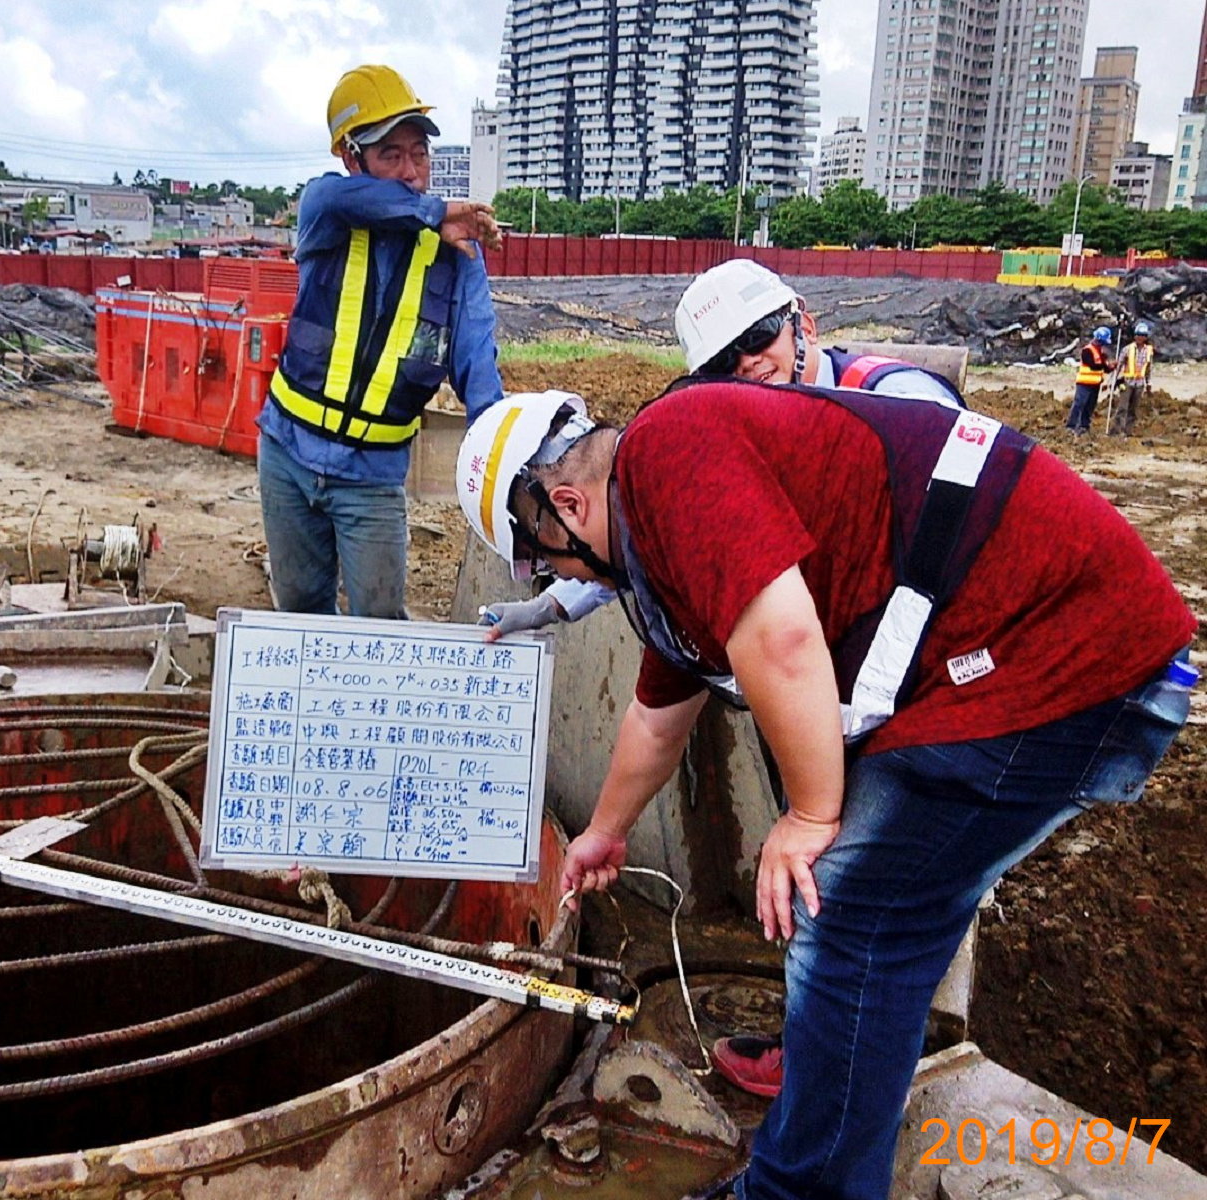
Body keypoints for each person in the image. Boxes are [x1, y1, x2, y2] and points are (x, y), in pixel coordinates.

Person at [456, 384, 1194, 1200]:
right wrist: (605, 831)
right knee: (876, 922)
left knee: (850, 917)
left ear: (565, 504)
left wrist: (810, 815)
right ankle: (848, 1085)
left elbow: (782, 637)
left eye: (543, 557)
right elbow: (659, 714)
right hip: (1007, 652)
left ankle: (800, 1187)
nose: (556, 576)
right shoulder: (666, 538)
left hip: (1057, 644)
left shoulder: (670, 452)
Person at [483, 259, 962, 638]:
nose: (749, 363)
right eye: (722, 363)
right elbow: (646, 525)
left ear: (806, 327)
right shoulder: (739, 436)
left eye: (759, 337)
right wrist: (549, 605)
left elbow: (954, 542)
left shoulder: (897, 401)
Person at [258, 63, 503, 619]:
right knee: (299, 610)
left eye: (419, 153)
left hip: (371, 476)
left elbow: (477, 366)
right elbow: (345, 200)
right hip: (287, 455)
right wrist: (433, 212)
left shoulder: (457, 255)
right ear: (351, 157)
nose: (412, 172)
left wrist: (504, 460)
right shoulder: (327, 210)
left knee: (379, 624)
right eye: (391, 155)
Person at [1110, 319, 1155, 436]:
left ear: (1146, 337)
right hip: (1127, 382)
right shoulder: (1127, 349)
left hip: (1139, 384)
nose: (1140, 338)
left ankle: (1128, 431)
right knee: (1122, 408)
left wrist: (1148, 383)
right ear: (1135, 336)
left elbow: (1148, 368)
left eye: (1142, 335)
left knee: (1133, 410)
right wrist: (1113, 381)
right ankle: (1118, 430)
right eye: (1138, 335)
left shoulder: (1148, 351)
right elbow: (1119, 366)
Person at [1066, 325, 1113, 433]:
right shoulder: (1087, 350)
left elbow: (1104, 368)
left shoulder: (1101, 353)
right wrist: (1104, 361)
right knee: (1079, 404)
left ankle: (1084, 426)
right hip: (1084, 383)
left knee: (1089, 406)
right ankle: (1071, 426)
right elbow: (1093, 365)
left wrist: (1111, 367)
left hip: (1095, 385)